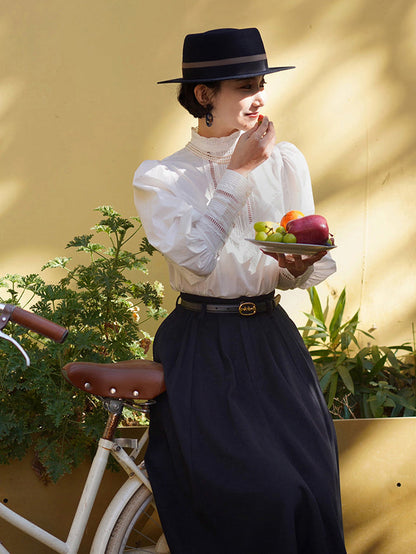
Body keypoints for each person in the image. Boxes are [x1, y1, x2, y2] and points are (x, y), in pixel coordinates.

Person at [133, 27, 346, 554]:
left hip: (272, 340)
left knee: (311, 486)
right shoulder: (161, 179)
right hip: (203, 344)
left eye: (261, 83)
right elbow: (199, 258)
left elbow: (306, 261)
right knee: (256, 495)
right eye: (244, 85)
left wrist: (298, 265)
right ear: (204, 95)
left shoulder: (287, 160)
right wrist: (238, 173)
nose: (259, 96)